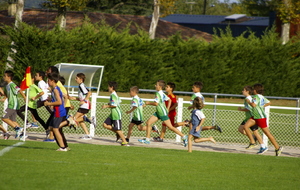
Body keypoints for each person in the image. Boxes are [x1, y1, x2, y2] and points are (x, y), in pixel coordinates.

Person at [138, 80, 188, 145]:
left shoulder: (158, 94)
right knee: (148, 123)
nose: (155, 86)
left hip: (162, 113)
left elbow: (156, 103)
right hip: (158, 112)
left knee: (171, 127)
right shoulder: (162, 93)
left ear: (160, 86)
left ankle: (184, 136)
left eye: (156, 85)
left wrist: (148, 103)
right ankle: (147, 139)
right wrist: (167, 109)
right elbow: (169, 100)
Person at [243, 83, 283, 156]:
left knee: (268, 133)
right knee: (245, 126)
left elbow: (253, 105)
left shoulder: (255, 97)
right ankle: (253, 142)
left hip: (260, 117)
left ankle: (278, 147)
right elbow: (269, 102)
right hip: (255, 117)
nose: (253, 90)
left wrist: (248, 101)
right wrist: (261, 106)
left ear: (255, 90)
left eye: (253, 89)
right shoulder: (261, 97)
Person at [63, 73, 95, 140]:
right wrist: (74, 98)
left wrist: (85, 101)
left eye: (76, 78)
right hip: (85, 106)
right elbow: (82, 97)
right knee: (79, 120)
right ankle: (88, 134)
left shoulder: (81, 85)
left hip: (85, 106)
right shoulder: (81, 85)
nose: (75, 79)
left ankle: (90, 119)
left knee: (74, 119)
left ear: (81, 79)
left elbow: (89, 93)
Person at [238, 85, 267, 154]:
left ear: (247, 91)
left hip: (251, 118)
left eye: (243, 90)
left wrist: (241, 109)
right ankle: (254, 139)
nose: (242, 91)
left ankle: (256, 143)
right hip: (247, 118)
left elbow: (250, 108)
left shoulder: (249, 98)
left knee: (255, 132)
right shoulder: (248, 98)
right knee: (241, 129)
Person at [44, 72, 68, 151]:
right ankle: (68, 122)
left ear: (52, 81)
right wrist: (51, 99)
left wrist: (49, 103)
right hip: (58, 111)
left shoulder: (56, 90)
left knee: (55, 129)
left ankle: (63, 147)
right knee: (50, 128)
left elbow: (59, 102)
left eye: (48, 80)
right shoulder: (55, 89)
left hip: (58, 111)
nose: (48, 82)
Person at [102, 81, 129, 146]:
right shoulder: (113, 94)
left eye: (108, 87)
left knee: (118, 129)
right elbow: (118, 101)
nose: (108, 88)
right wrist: (110, 104)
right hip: (112, 114)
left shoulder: (113, 95)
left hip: (116, 114)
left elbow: (115, 105)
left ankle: (124, 141)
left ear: (112, 87)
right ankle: (119, 133)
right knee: (105, 125)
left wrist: (106, 106)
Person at [0, 70, 23, 139]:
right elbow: (6, 95)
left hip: (13, 105)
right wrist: (4, 98)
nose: (4, 77)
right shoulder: (7, 86)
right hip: (11, 104)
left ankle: (17, 129)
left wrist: (25, 98)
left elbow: (19, 90)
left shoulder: (12, 84)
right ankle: (22, 135)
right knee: (13, 121)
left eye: (5, 76)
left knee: (4, 118)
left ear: (9, 77)